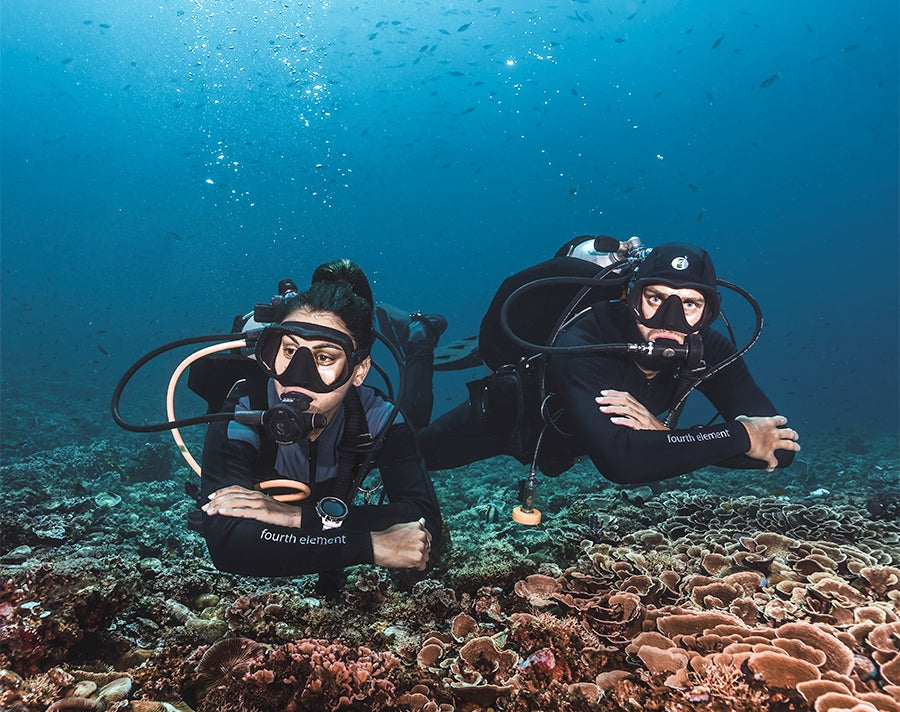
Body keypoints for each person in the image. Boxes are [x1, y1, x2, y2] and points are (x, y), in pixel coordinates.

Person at [382, 237, 800, 485]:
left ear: (710, 311)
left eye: (690, 305)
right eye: (655, 299)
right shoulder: (585, 337)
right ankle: (421, 337)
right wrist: (734, 438)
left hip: (570, 446)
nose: (669, 322)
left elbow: (781, 448)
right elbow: (622, 462)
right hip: (513, 420)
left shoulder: (713, 350)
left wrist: (665, 436)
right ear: (631, 296)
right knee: (404, 455)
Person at [199, 259, 442, 595]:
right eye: (289, 350)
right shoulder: (245, 408)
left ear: (359, 370)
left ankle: (420, 339)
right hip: (338, 516)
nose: (297, 378)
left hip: (349, 450)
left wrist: (297, 518)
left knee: (419, 419)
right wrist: (369, 546)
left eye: (325, 357)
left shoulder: (377, 416)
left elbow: (428, 526)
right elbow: (228, 544)